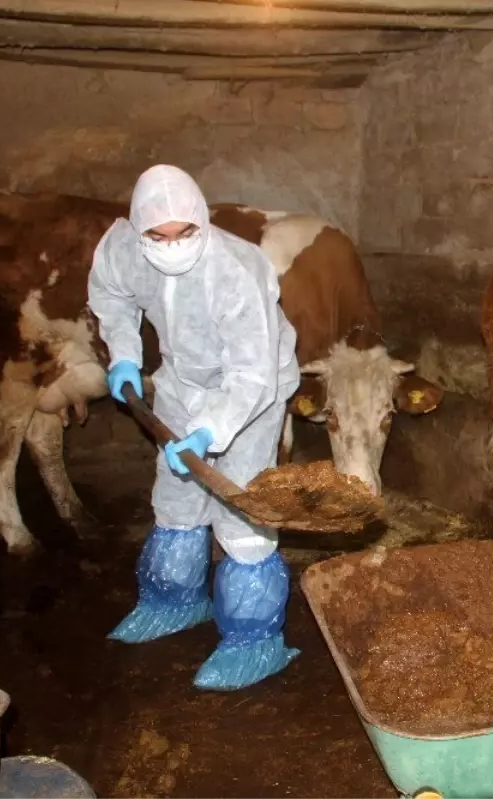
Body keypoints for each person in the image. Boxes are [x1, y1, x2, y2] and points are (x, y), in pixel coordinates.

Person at [88, 164, 301, 691]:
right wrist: (124, 354)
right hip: (183, 378)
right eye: (157, 236)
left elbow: (251, 373)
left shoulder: (237, 269)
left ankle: (254, 639)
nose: (172, 245)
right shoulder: (123, 249)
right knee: (177, 493)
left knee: (239, 504)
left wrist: (210, 434)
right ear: (140, 232)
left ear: (202, 222)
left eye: (185, 233)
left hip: (252, 388)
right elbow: (110, 295)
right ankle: (174, 602)